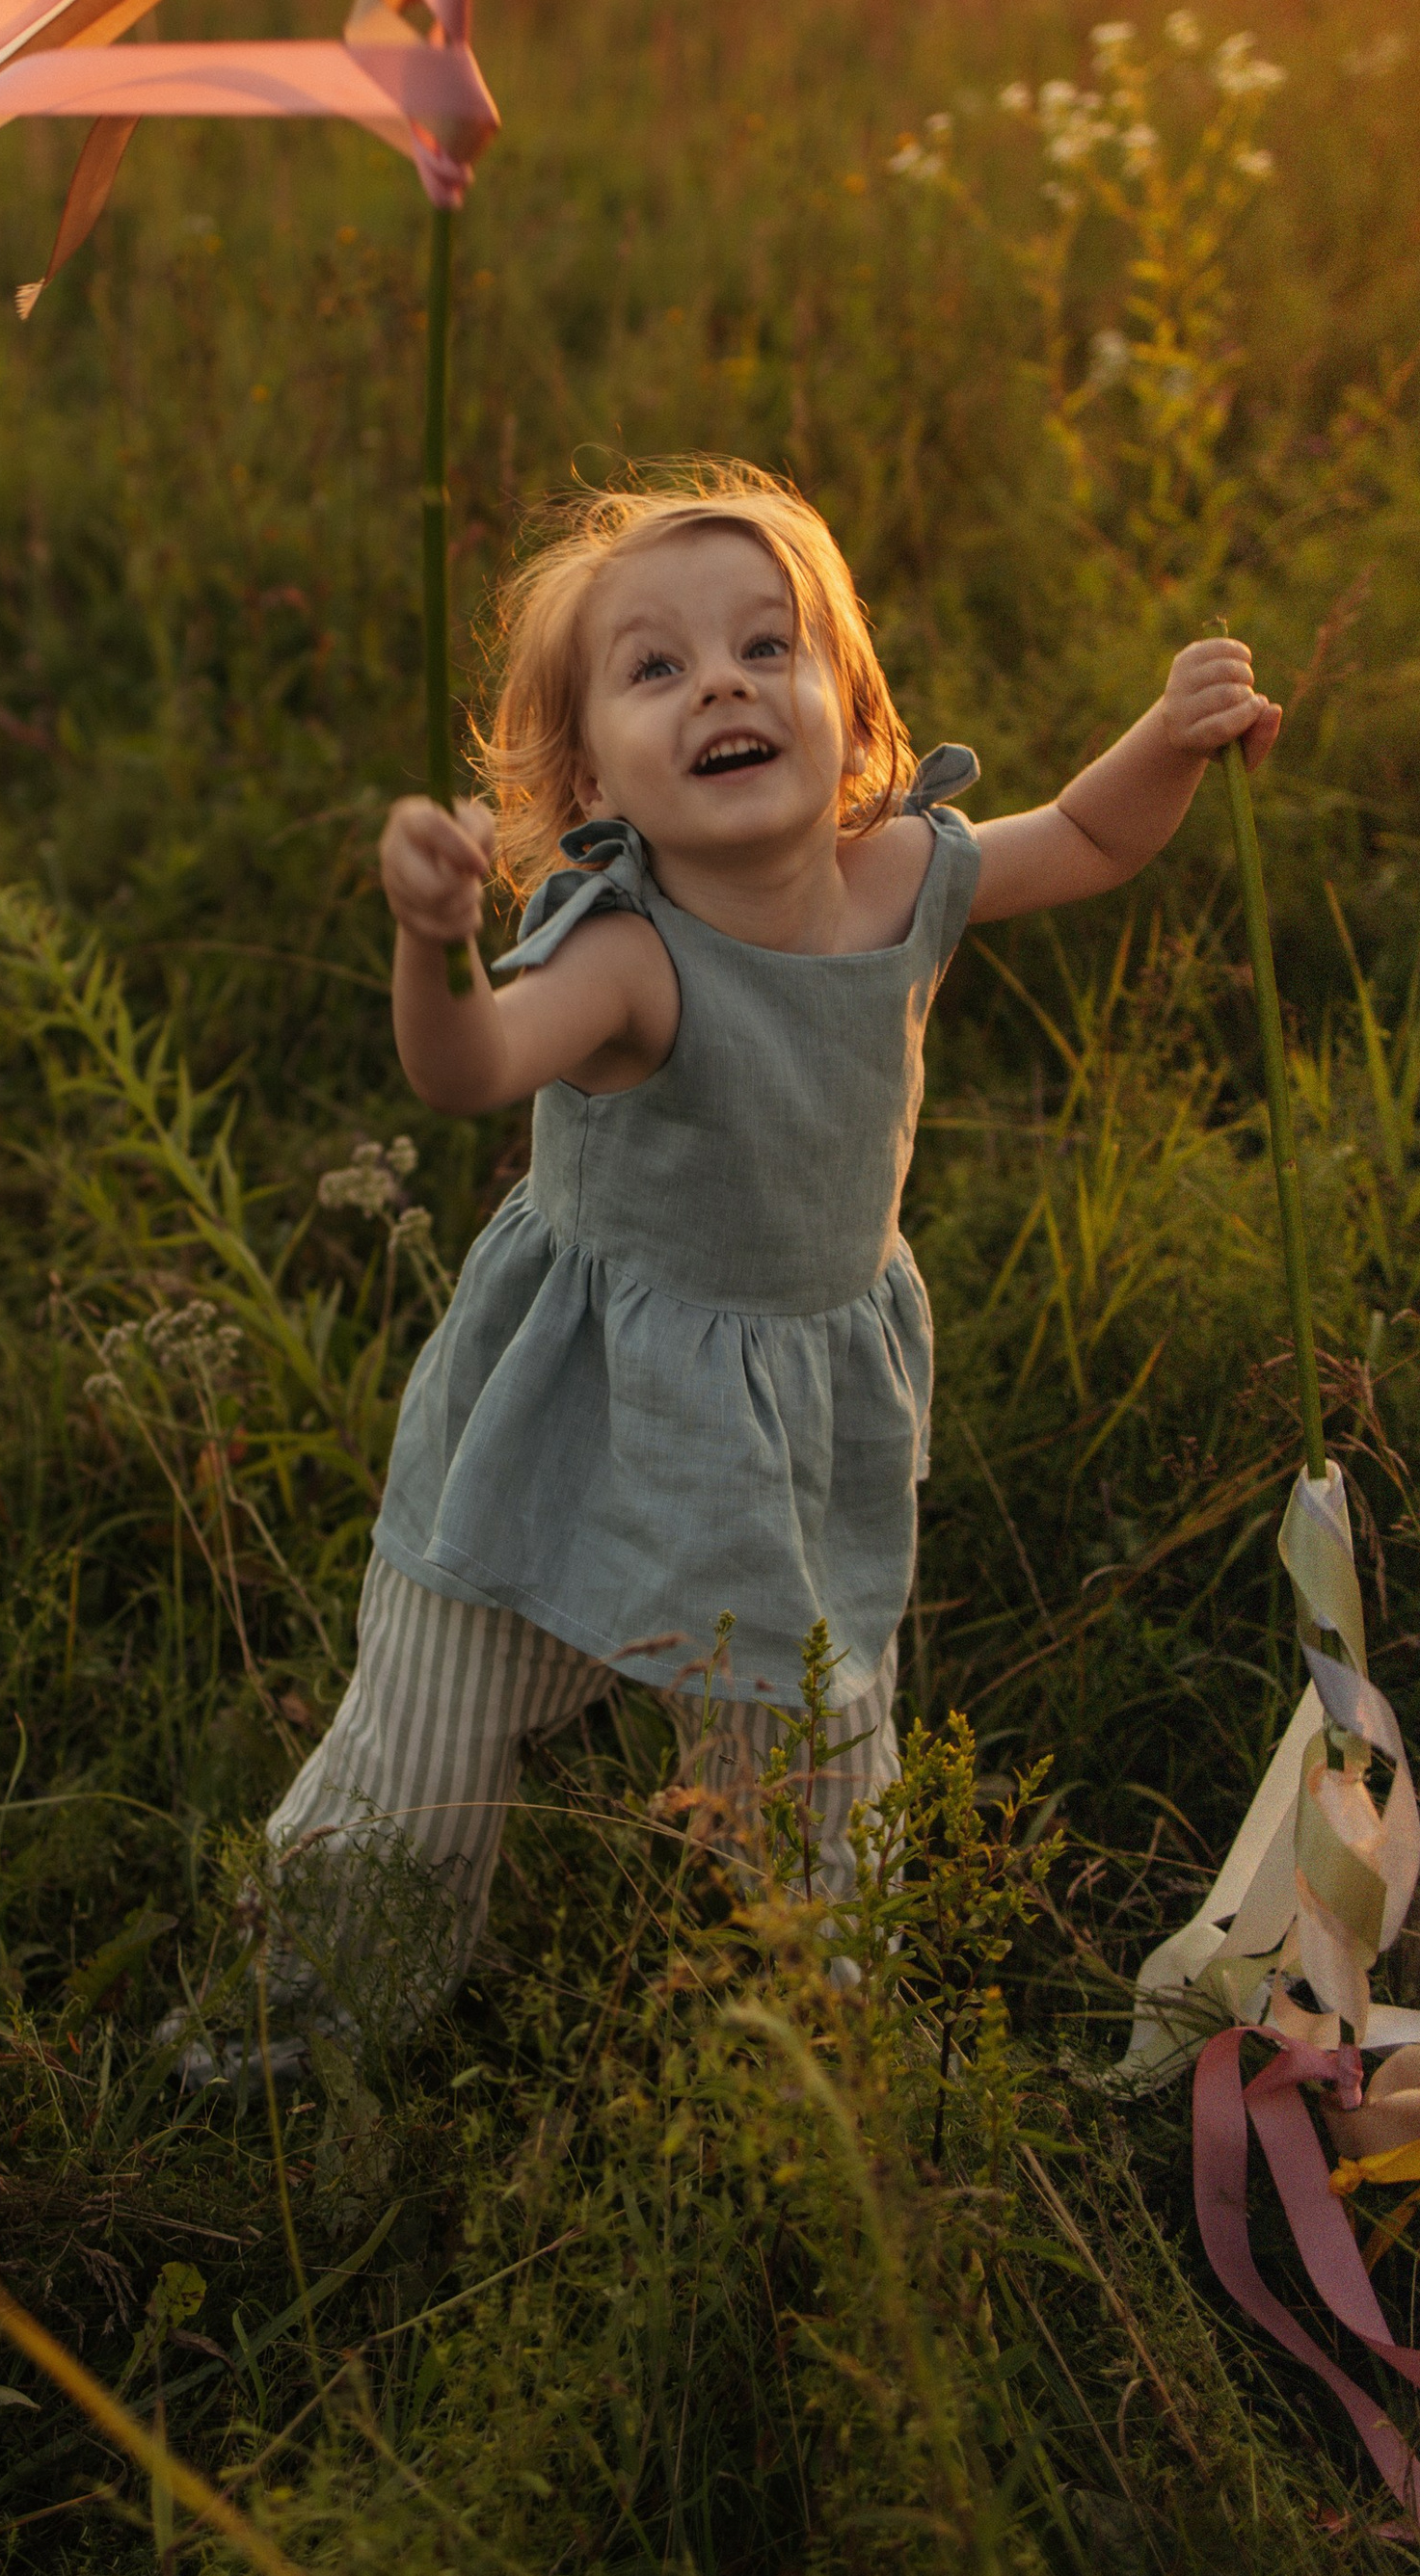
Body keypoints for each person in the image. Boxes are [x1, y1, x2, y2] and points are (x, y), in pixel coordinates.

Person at [246, 458, 1278, 2038]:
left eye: (764, 646)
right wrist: (427, 940)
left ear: (853, 721)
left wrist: (1174, 734)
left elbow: (1086, 833)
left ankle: (825, 2029)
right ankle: (320, 2006)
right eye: (656, 669)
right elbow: (462, 1070)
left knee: (807, 1731)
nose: (720, 680)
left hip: (785, 1406)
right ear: (589, 789)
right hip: (573, 1405)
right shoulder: (627, 962)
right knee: (436, 1722)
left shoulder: (903, 880)